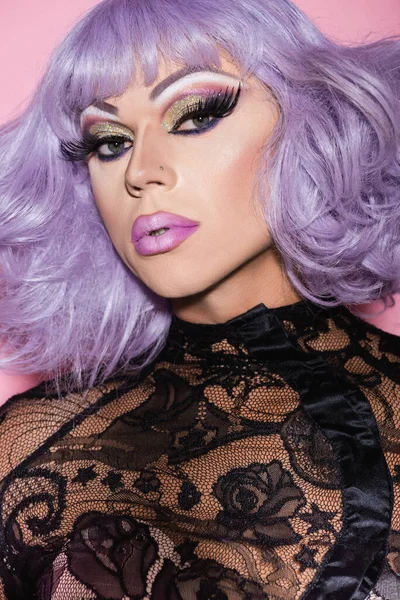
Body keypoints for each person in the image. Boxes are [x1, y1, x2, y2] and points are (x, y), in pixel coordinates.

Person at [0, 0, 399, 597]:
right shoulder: (30, 452)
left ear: (312, 123)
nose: (141, 171)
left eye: (195, 116)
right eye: (109, 142)